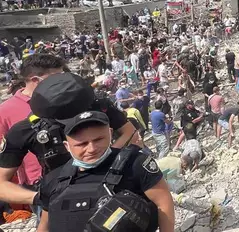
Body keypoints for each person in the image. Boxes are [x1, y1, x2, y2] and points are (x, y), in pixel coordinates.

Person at [0, 73, 138, 207]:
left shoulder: (100, 107)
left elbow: (130, 133)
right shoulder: (28, 129)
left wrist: (112, 157)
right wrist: (41, 198)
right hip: (59, 197)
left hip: (114, 186)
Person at [36, 111, 175, 232]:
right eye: (82, 144)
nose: (91, 148)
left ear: (110, 133)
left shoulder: (135, 164)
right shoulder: (54, 179)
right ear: (67, 146)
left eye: (98, 140)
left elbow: (163, 202)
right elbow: (45, 224)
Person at [0, 54, 66, 191]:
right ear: (36, 80)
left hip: (76, 173)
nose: (62, 82)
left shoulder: (66, 99)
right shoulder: (5, 111)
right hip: (37, 185)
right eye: (56, 78)